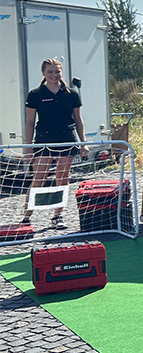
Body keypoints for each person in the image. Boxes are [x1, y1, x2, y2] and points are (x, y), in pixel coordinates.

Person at [22, 58, 87, 229]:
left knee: (62, 178)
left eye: (57, 71)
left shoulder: (71, 93)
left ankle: (58, 215)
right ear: (43, 73)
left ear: (61, 72)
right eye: (50, 72)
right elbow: (29, 122)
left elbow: (78, 120)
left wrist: (83, 143)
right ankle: (27, 216)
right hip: (43, 139)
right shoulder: (35, 94)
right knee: (39, 178)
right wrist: (28, 147)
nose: (54, 75)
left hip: (67, 138)